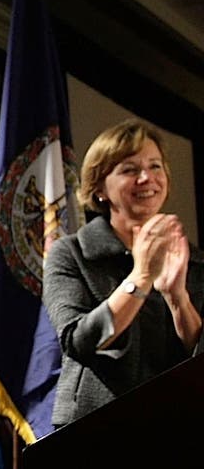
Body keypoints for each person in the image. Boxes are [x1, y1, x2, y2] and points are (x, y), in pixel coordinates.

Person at [43, 119, 202, 425]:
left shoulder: (192, 259)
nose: (147, 178)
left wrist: (177, 297)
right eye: (130, 169)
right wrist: (140, 277)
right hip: (95, 429)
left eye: (155, 166)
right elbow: (79, 341)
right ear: (99, 188)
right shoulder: (71, 254)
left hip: (179, 422)